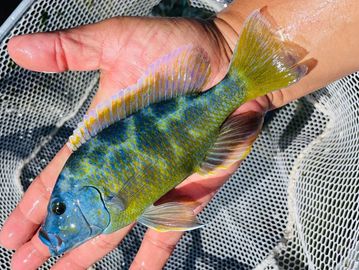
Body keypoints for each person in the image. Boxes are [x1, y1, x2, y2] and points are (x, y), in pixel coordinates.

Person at [0, 0, 358, 269]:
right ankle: (249, 73)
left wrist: (229, 41)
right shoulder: (113, 208)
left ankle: (247, 75)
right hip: (192, 133)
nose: (56, 224)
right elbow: (160, 211)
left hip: (193, 113)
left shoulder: (111, 204)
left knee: (243, 85)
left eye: (58, 207)